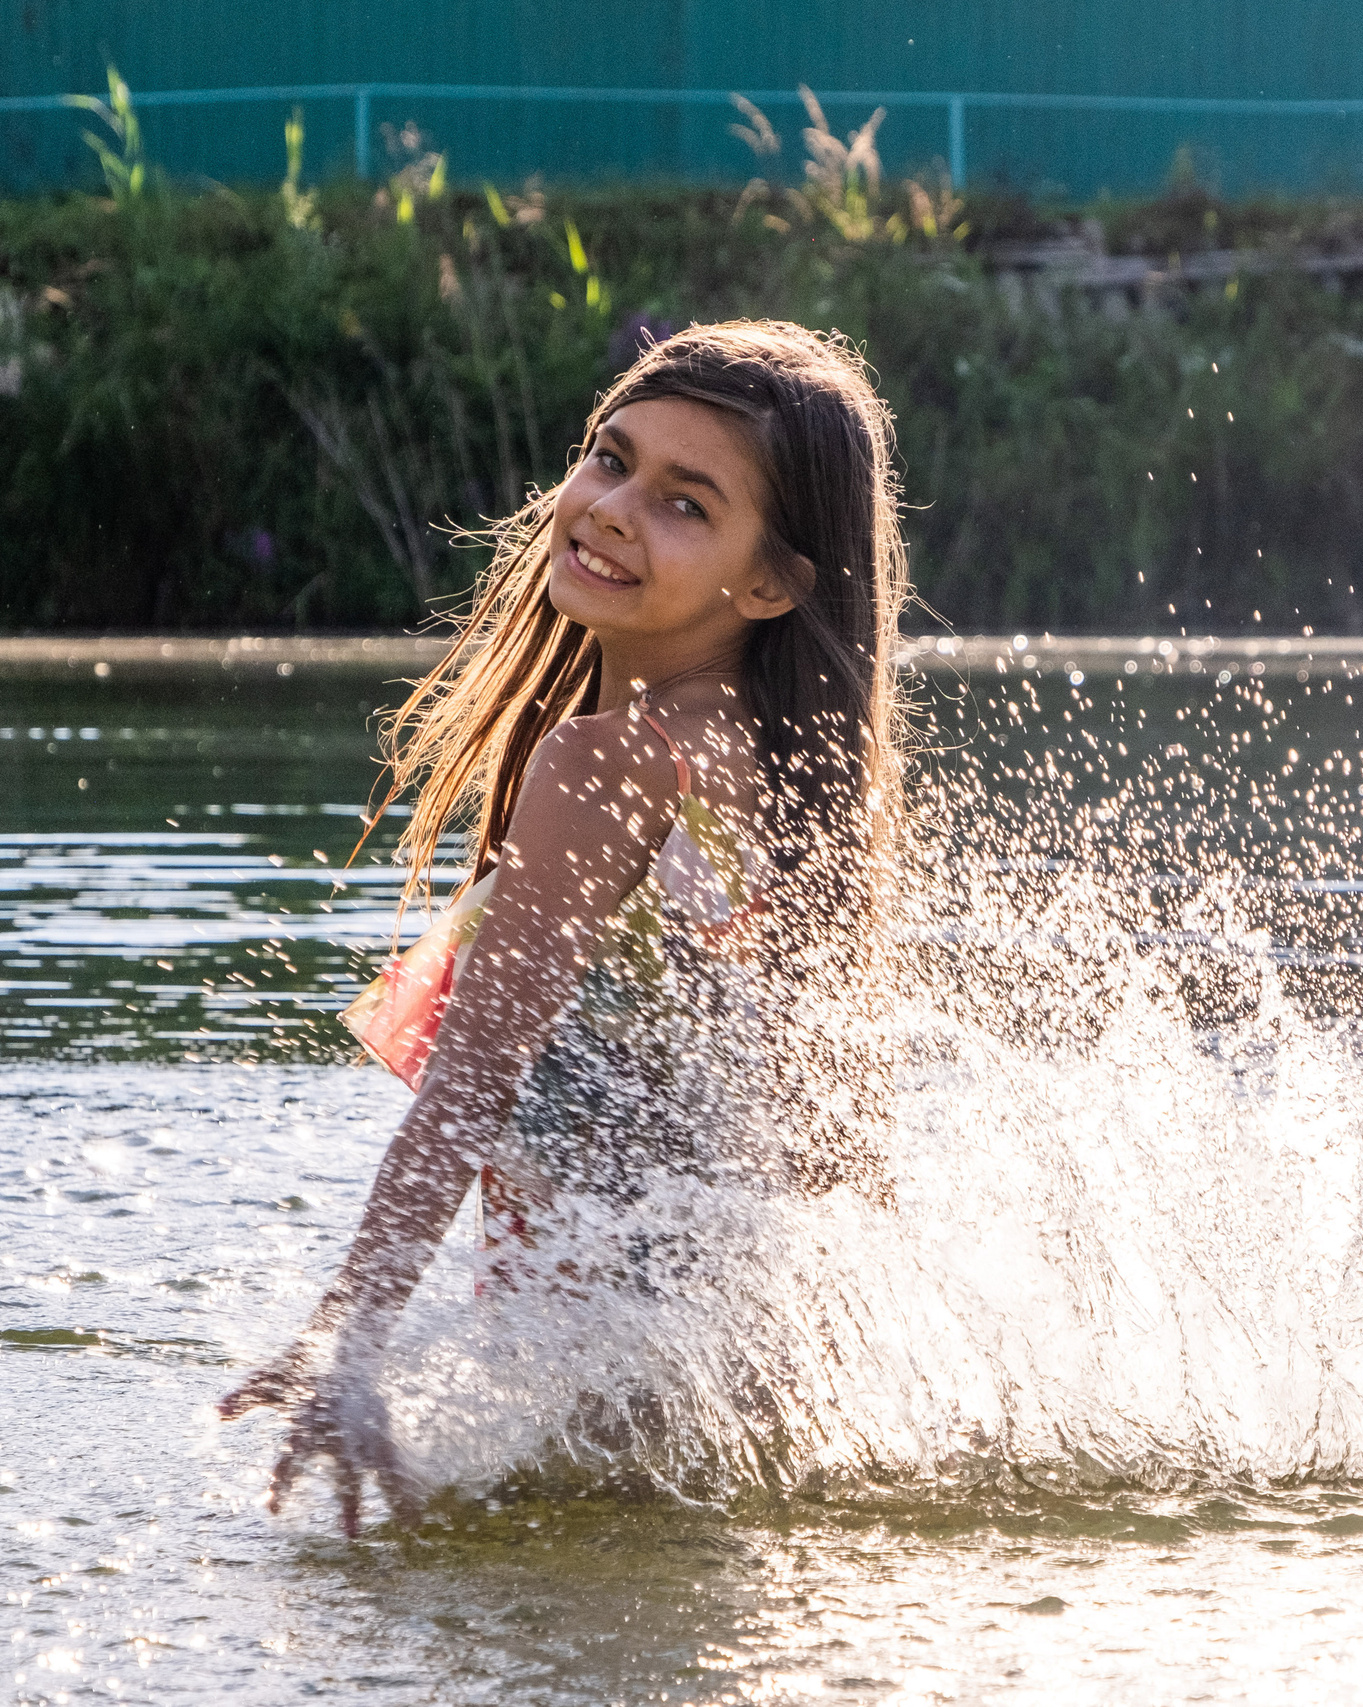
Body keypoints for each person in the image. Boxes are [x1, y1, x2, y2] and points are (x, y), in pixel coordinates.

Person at [218, 320, 908, 1534]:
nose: (612, 508)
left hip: (618, 1420)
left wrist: (345, 1338)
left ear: (769, 582)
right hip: (736, 1413)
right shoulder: (775, 778)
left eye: (686, 504)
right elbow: (835, 1140)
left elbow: (472, 1082)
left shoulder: (610, 763)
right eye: (610, 456)